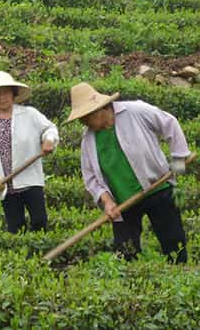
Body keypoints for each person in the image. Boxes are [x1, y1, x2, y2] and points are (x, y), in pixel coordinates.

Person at [66, 82, 191, 263]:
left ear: (99, 109)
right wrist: (107, 202)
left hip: (158, 188)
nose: (82, 122)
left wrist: (178, 163)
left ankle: (180, 277)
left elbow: (169, 123)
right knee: (125, 252)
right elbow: (91, 177)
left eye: (85, 117)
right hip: (123, 204)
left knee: (174, 245)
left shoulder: (135, 111)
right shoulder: (88, 139)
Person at [0, 71, 59, 234]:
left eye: (6, 92)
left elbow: (50, 128)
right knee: (15, 228)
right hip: (5, 185)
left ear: (13, 94)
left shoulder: (30, 114)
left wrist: (49, 140)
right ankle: (22, 258)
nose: (2, 97)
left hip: (30, 180)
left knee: (39, 221)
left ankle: (40, 255)